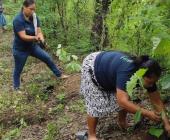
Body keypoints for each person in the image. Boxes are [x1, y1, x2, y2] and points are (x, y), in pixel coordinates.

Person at [80, 51, 170, 140]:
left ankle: (122, 122)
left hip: (110, 65)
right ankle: (92, 135)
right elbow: (122, 102)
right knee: (95, 105)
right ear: (141, 75)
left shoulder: (148, 75)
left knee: (125, 96)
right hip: (94, 66)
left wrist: (166, 124)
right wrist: (147, 113)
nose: (152, 85)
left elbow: (157, 101)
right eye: (150, 82)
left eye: (154, 82)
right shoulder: (127, 72)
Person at [12, 0, 68, 90]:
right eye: (31, 9)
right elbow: (23, 36)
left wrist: (42, 39)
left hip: (32, 47)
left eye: (34, 9)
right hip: (20, 49)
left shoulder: (34, 17)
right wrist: (35, 38)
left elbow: (39, 32)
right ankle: (16, 88)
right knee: (18, 69)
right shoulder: (18, 20)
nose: (33, 11)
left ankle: (59, 75)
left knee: (47, 57)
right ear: (24, 7)